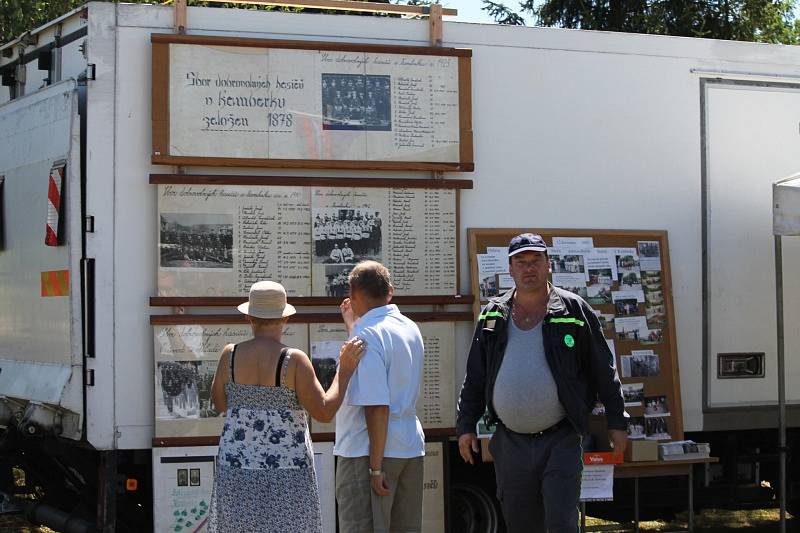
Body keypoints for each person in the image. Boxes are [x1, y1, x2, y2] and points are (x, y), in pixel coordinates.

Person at [456, 233, 627, 533]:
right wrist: (466, 425)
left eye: (535, 261)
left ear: (549, 264)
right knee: (522, 525)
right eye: (520, 262)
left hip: (560, 439)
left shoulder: (574, 310)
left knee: (560, 524)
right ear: (510, 269)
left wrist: (617, 421)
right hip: (511, 443)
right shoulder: (493, 314)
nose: (528, 268)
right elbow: (476, 375)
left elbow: (604, 368)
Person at [207, 281, 366, 533]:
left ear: (248, 317)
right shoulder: (293, 360)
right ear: (285, 318)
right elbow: (324, 412)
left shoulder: (230, 355)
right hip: (287, 473)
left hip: (236, 470)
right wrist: (344, 371)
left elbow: (220, 403)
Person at [335, 261, 426, 533]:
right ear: (390, 291)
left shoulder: (366, 334)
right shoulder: (410, 327)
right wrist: (353, 326)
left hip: (369, 451)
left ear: (353, 293)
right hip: (409, 445)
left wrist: (375, 468)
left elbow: (376, 406)